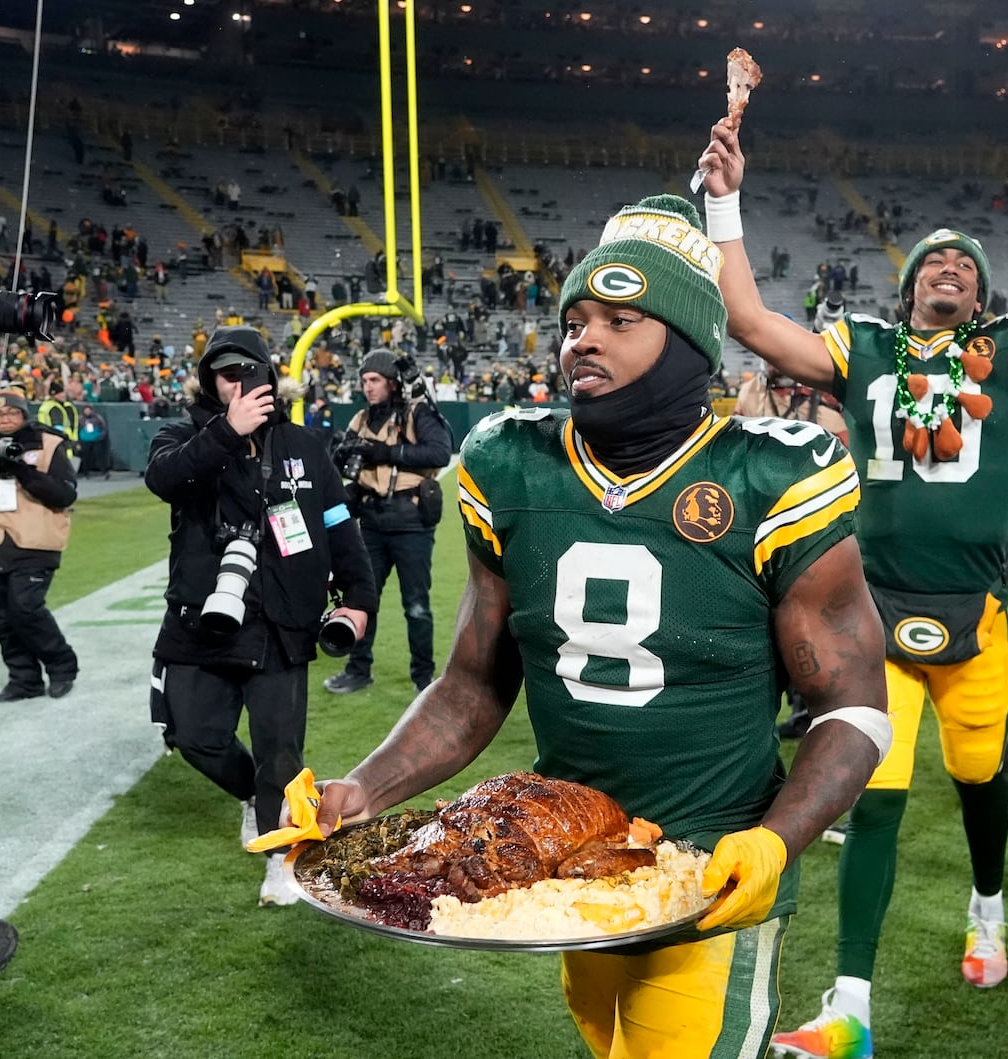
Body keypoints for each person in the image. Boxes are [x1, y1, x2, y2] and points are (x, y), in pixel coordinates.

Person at [310, 195, 888, 1058]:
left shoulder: (772, 477)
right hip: (568, 864)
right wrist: (363, 788)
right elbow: (473, 683)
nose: (584, 338)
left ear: (689, 343)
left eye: (622, 319)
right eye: (577, 319)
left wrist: (773, 841)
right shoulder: (512, 461)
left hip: (712, 871)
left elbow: (853, 706)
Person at [698, 110, 1008, 1050]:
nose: (950, 267)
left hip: (976, 616)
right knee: (874, 796)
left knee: (981, 783)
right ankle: (850, 1002)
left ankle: (988, 902)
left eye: (967, 265)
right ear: (907, 286)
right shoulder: (860, 349)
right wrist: (724, 204)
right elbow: (748, 320)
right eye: (934, 260)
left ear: (980, 295)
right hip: (871, 615)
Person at [144, 327, 376, 906]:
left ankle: (281, 858)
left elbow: (337, 523)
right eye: (226, 374)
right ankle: (252, 795)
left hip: (281, 619)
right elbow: (164, 479)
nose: (239, 383)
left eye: (250, 372)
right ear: (208, 381)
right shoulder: (183, 435)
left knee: (281, 750)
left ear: (270, 377)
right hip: (203, 618)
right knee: (192, 736)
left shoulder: (303, 443)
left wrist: (359, 597)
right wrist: (228, 431)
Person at [324, 350, 452, 695]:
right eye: (364, 381)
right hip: (370, 521)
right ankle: (358, 669)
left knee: (416, 606)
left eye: (375, 380)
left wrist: (386, 453)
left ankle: (423, 678)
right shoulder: (360, 419)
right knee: (362, 600)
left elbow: (440, 451)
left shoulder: (416, 412)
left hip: (411, 522)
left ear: (392, 383)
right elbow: (338, 468)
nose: (368, 387)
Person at [734, 359, 850, 739]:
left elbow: (843, 454)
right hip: (755, 519)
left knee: (808, 626)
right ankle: (757, 715)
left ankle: (812, 712)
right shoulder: (753, 390)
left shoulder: (824, 395)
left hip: (807, 521)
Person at [0, 388, 79, 701]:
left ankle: (62, 666)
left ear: (23, 414)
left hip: (35, 541)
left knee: (25, 608)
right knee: (3, 618)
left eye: (11, 413)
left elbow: (65, 494)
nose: (5, 419)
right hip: (1, 544)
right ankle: (24, 679)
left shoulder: (47, 443)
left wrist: (20, 468)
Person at [37, 380, 80, 465]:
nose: (63, 395)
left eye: (63, 392)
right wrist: (66, 440)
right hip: (59, 441)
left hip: (55, 441)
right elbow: (57, 426)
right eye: (60, 393)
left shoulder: (64, 406)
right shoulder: (54, 408)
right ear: (53, 395)